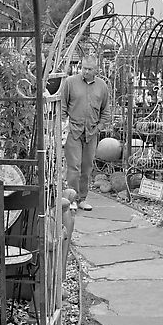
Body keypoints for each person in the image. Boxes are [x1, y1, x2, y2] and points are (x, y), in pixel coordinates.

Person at [60, 55, 111, 211]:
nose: (86, 71)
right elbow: (62, 106)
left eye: (89, 69)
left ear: (96, 70)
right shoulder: (70, 82)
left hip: (91, 132)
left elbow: (106, 110)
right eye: (83, 68)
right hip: (74, 131)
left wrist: (99, 127)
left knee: (87, 168)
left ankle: (82, 199)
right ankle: (72, 199)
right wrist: (62, 126)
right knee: (73, 167)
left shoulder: (102, 86)